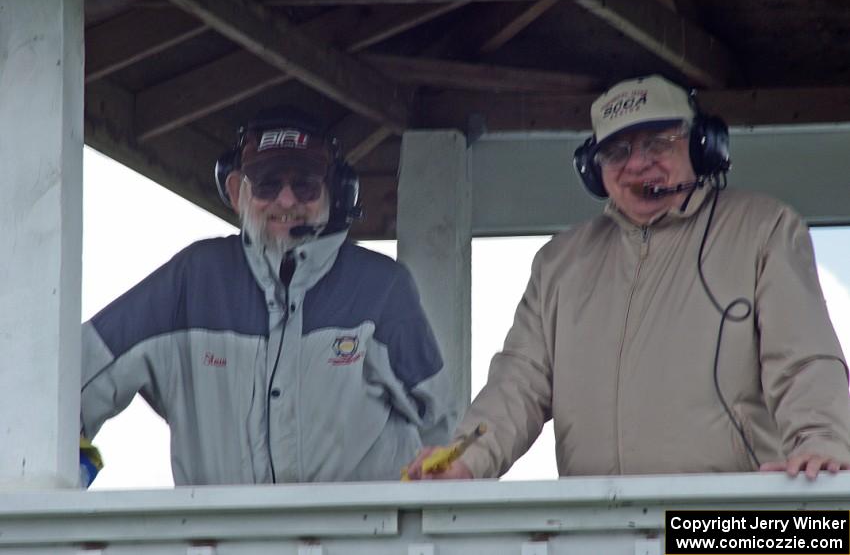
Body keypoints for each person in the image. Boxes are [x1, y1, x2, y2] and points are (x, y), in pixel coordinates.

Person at [406, 74, 850, 482]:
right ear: (593, 170)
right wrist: (465, 460)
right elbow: (517, 383)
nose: (638, 164)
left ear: (700, 146)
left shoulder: (764, 229)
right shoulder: (559, 262)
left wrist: (822, 442)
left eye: (658, 142)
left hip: (722, 522)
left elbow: (803, 359)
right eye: (617, 151)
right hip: (600, 530)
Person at [80, 107, 456, 485]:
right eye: (267, 183)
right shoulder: (192, 281)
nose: (287, 201)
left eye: (305, 184)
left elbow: (445, 430)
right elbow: (69, 384)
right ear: (235, 192)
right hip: (219, 544)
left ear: (336, 192)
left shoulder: (382, 288)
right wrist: (67, 473)